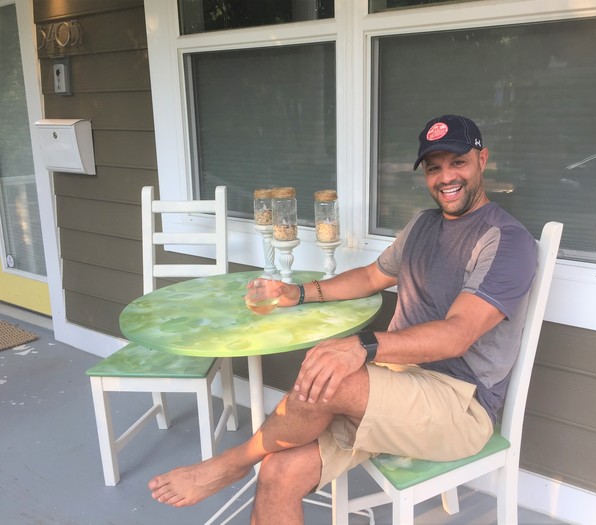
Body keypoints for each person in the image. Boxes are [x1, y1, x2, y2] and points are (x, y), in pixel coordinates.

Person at [148, 114, 538, 524]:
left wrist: (363, 346)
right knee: (280, 471)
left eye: (457, 162)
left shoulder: (505, 240)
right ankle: (247, 463)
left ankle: (231, 463)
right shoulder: (424, 225)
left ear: (482, 160)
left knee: (333, 372)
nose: (445, 177)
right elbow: (372, 277)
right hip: (396, 384)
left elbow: (457, 335)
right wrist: (295, 294)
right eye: (434, 167)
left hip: (460, 404)